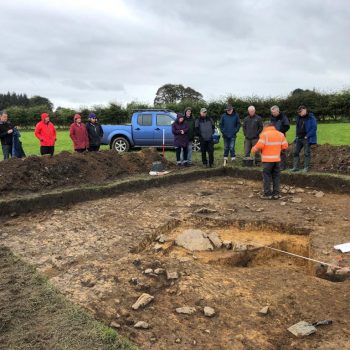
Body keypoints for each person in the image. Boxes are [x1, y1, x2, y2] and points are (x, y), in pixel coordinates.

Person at [252, 122, 288, 200]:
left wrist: (253, 150)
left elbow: (260, 145)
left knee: (267, 177)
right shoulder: (280, 134)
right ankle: (276, 194)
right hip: (277, 160)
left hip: (267, 160)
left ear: (266, 126)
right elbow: (285, 145)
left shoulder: (264, 134)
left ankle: (267, 194)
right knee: (276, 177)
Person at [291, 105, 317, 173]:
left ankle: (306, 168)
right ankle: (296, 167)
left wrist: (307, 136)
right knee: (295, 152)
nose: (299, 113)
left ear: (305, 110)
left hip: (306, 138)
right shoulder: (298, 118)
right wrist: (296, 136)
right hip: (299, 138)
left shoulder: (311, 118)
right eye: (299, 112)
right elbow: (297, 128)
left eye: (301, 112)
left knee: (306, 153)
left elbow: (314, 128)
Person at [270, 105, 290, 170]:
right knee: (274, 151)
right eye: (272, 112)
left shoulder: (283, 117)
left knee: (282, 151)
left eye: (274, 112)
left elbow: (287, 126)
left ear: (278, 111)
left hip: (281, 137)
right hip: (273, 137)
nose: (273, 114)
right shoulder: (272, 118)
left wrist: (280, 132)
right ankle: (275, 166)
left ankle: (282, 166)